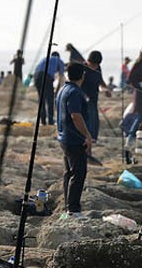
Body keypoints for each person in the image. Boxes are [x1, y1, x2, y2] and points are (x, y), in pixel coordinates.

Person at [56, 62, 92, 217]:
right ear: (82, 75)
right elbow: (75, 116)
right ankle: (73, 209)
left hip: (64, 137)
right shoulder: (75, 92)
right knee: (78, 173)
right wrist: (87, 135)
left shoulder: (63, 89)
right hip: (74, 139)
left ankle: (68, 206)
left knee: (69, 173)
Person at [81, 51, 111, 142]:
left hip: (94, 96)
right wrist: (84, 95)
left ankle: (93, 138)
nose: (94, 67)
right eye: (92, 65)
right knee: (88, 117)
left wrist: (105, 89)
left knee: (94, 118)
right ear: (88, 61)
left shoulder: (98, 68)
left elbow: (100, 80)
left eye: (96, 65)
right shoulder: (82, 68)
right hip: (83, 98)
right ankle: (88, 137)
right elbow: (76, 84)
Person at [34, 52, 65, 125]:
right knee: (50, 100)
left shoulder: (45, 59)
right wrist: (57, 91)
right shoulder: (59, 60)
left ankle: (43, 121)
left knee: (41, 100)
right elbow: (61, 78)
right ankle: (50, 121)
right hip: (46, 77)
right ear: (58, 56)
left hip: (36, 77)